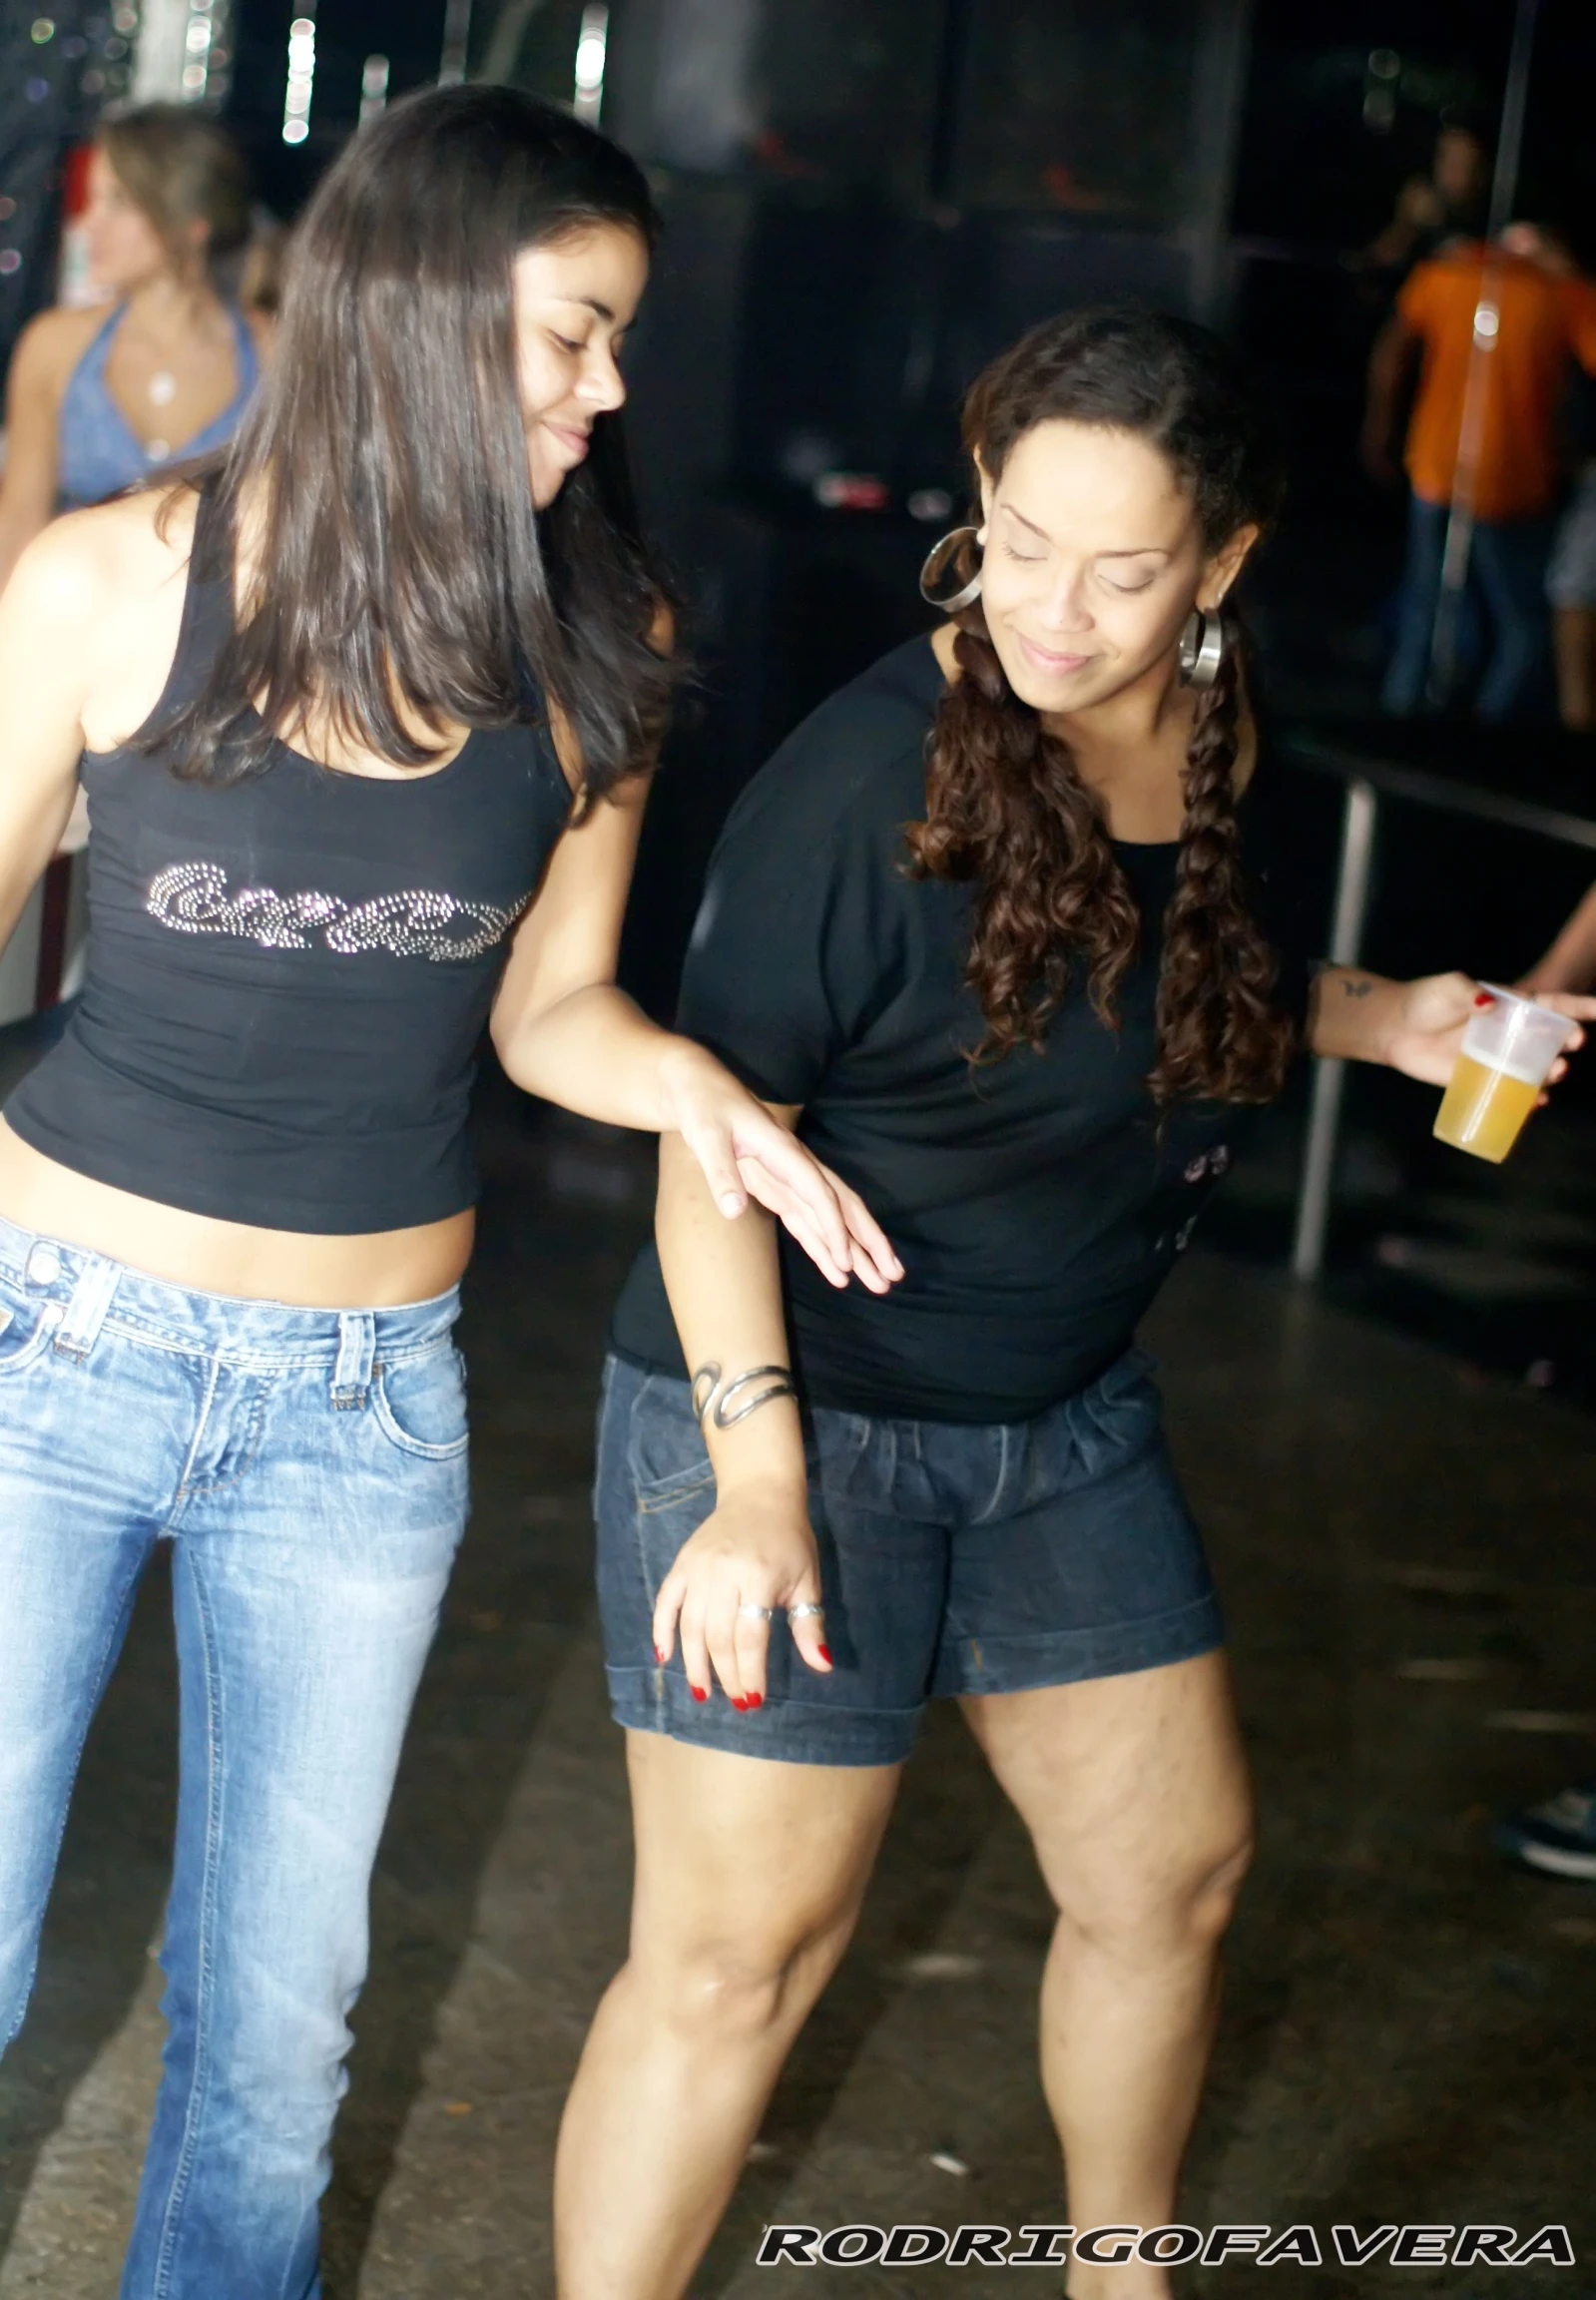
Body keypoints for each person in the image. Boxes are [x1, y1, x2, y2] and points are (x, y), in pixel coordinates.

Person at [554, 307, 1596, 2300]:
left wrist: (1393, 1021)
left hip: (1057, 1420)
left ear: (1217, 566)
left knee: (1169, 1881)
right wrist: (754, 1484)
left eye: (1120, 570)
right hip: (801, 1409)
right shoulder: (862, 779)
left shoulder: (1211, 719)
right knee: (730, 1964)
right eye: (1017, 540)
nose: (1053, 605)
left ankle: (1119, 2282)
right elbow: (714, 1161)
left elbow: (1153, 990)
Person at [0, 86, 896, 2300]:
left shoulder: (592, 648)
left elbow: (546, 1010)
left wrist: (686, 1082)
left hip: (360, 1411)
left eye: (619, 343)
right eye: (570, 336)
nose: (609, 390)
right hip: (51, 1353)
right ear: (413, 315)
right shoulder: (112, 582)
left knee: (279, 2033)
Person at [0, 103, 262, 595]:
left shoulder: (276, 352)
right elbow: (17, 529)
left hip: (215, 655)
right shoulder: (54, 347)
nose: (88, 223)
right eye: (91, 199)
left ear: (191, 220)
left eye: (117, 202)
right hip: (77, 638)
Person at [1363, 228, 1596, 719]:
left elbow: (1392, 352)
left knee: (1427, 610)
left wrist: (1380, 427)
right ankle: (1487, 734)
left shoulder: (1446, 274)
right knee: (1523, 627)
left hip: (1438, 467)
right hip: (1509, 481)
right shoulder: (1562, 290)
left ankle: (1401, 721)